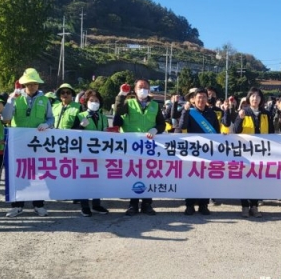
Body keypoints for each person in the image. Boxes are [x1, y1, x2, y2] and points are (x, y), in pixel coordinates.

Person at [1, 68, 54, 217]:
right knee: (19, 173)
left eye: (35, 83)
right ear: (24, 84)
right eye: (29, 84)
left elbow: (51, 118)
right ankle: (17, 205)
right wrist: (10, 100)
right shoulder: (16, 98)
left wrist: (47, 125)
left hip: (38, 143)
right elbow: (5, 118)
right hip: (19, 142)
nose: (32, 86)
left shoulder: (44, 100)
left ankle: (39, 205)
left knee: (39, 174)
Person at [114, 78, 166, 216]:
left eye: (145, 87)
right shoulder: (128, 103)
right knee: (133, 174)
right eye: (140, 87)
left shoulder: (155, 105)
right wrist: (121, 95)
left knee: (148, 175)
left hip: (149, 147)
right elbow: (117, 111)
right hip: (132, 146)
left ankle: (147, 204)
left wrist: (156, 130)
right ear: (135, 90)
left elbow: (162, 124)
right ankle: (133, 204)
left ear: (149, 89)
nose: (143, 89)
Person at [175, 87, 221, 215]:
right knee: (192, 178)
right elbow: (182, 126)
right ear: (194, 99)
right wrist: (185, 111)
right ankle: (189, 205)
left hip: (207, 151)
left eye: (204, 97)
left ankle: (203, 204)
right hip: (192, 151)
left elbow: (217, 131)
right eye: (199, 97)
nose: (201, 100)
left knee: (206, 178)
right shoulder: (189, 112)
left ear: (207, 99)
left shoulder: (211, 113)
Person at [232, 87, 273, 218]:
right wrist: (239, 118)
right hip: (245, 153)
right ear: (249, 98)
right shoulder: (243, 112)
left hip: (261, 153)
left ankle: (254, 206)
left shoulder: (266, 113)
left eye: (258, 96)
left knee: (257, 179)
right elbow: (237, 130)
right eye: (253, 96)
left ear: (261, 99)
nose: (255, 99)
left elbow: (272, 133)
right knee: (244, 179)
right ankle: (244, 206)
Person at [77, 89, 110, 217]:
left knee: (98, 179)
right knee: (84, 180)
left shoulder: (103, 117)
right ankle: (84, 206)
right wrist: (80, 126)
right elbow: (72, 134)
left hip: (99, 152)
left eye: (96, 101)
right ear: (86, 102)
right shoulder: (80, 115)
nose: (94, 103)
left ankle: (96, 204)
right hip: (84, 153)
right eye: (91, 100)